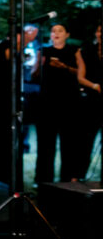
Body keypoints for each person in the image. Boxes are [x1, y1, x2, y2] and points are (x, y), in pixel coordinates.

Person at [0, 26, 40, 186]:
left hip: (5, 102)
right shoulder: (5, 47)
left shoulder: (13, 49)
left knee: (6, 139)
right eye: (23, 36)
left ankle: (4, 174)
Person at [33, 22, 82, 183]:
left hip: (69, 103)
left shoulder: (74, 51)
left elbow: (81, 73)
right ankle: (43, 182)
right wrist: (41, 63)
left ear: (67, 34)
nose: (56, 33)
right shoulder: (43, 50)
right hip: (47, 103)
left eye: (60, 30)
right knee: (45, 146)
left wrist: (63, 67)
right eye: (53, 31)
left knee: (69, 144)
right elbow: (34, 75)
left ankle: (67, 181)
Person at [75, 24, 102, 181]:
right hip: (92, 100)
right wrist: (94, 86)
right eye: (99, 31)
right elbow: (80, 77)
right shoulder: (86, 51)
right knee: (85, 141)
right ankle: (78, 176)